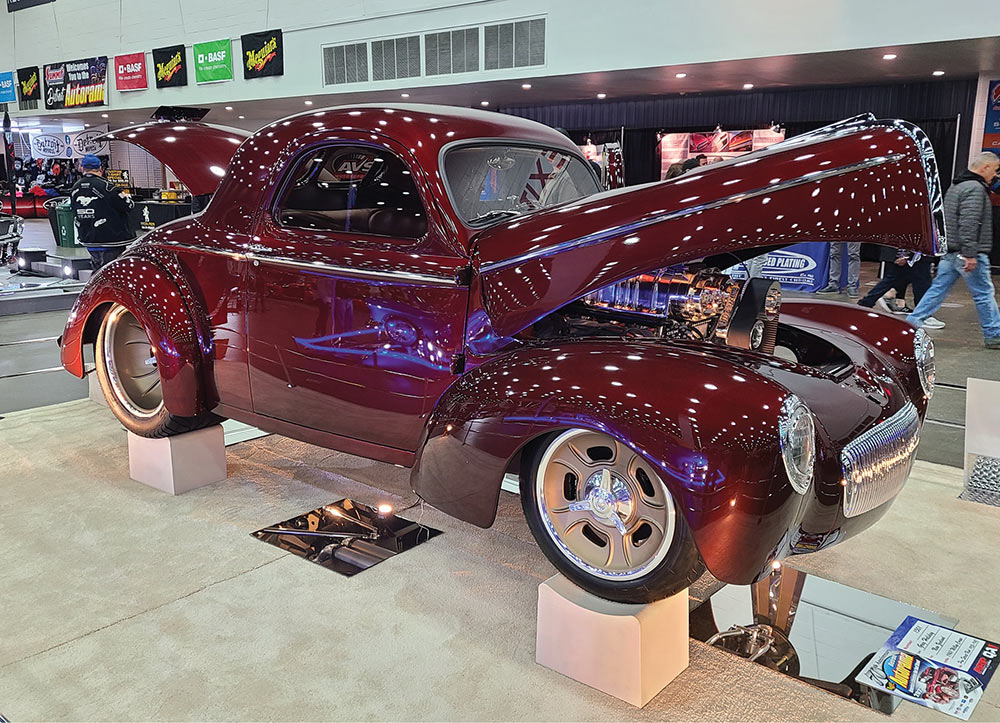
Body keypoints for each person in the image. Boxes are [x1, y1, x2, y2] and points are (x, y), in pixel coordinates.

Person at [907, 152, 1000, 348]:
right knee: (984, 293)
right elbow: (969, 223)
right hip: (966, 252)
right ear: (985, 168)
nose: (996, 175)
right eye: (995, 170)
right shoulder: (974, 188)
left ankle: (911, 325)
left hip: (951, 251)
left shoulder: (957, 185)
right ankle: (994, 335)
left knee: (937, 290)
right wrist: (970, 254)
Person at [70, 154, 135, 270]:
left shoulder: (75, 188)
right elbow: (128, 205)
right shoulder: (107, 187)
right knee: (112, 272)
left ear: (82, 168)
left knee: (97, 270)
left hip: (88, 238)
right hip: (110, 239)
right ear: (100, 168)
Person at [857, 247, 943, 327]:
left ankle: (865, 303)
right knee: (921, 283)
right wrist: (904, 255)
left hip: (915, 253)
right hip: (915, 253)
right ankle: (922, 315)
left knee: (893, 279)